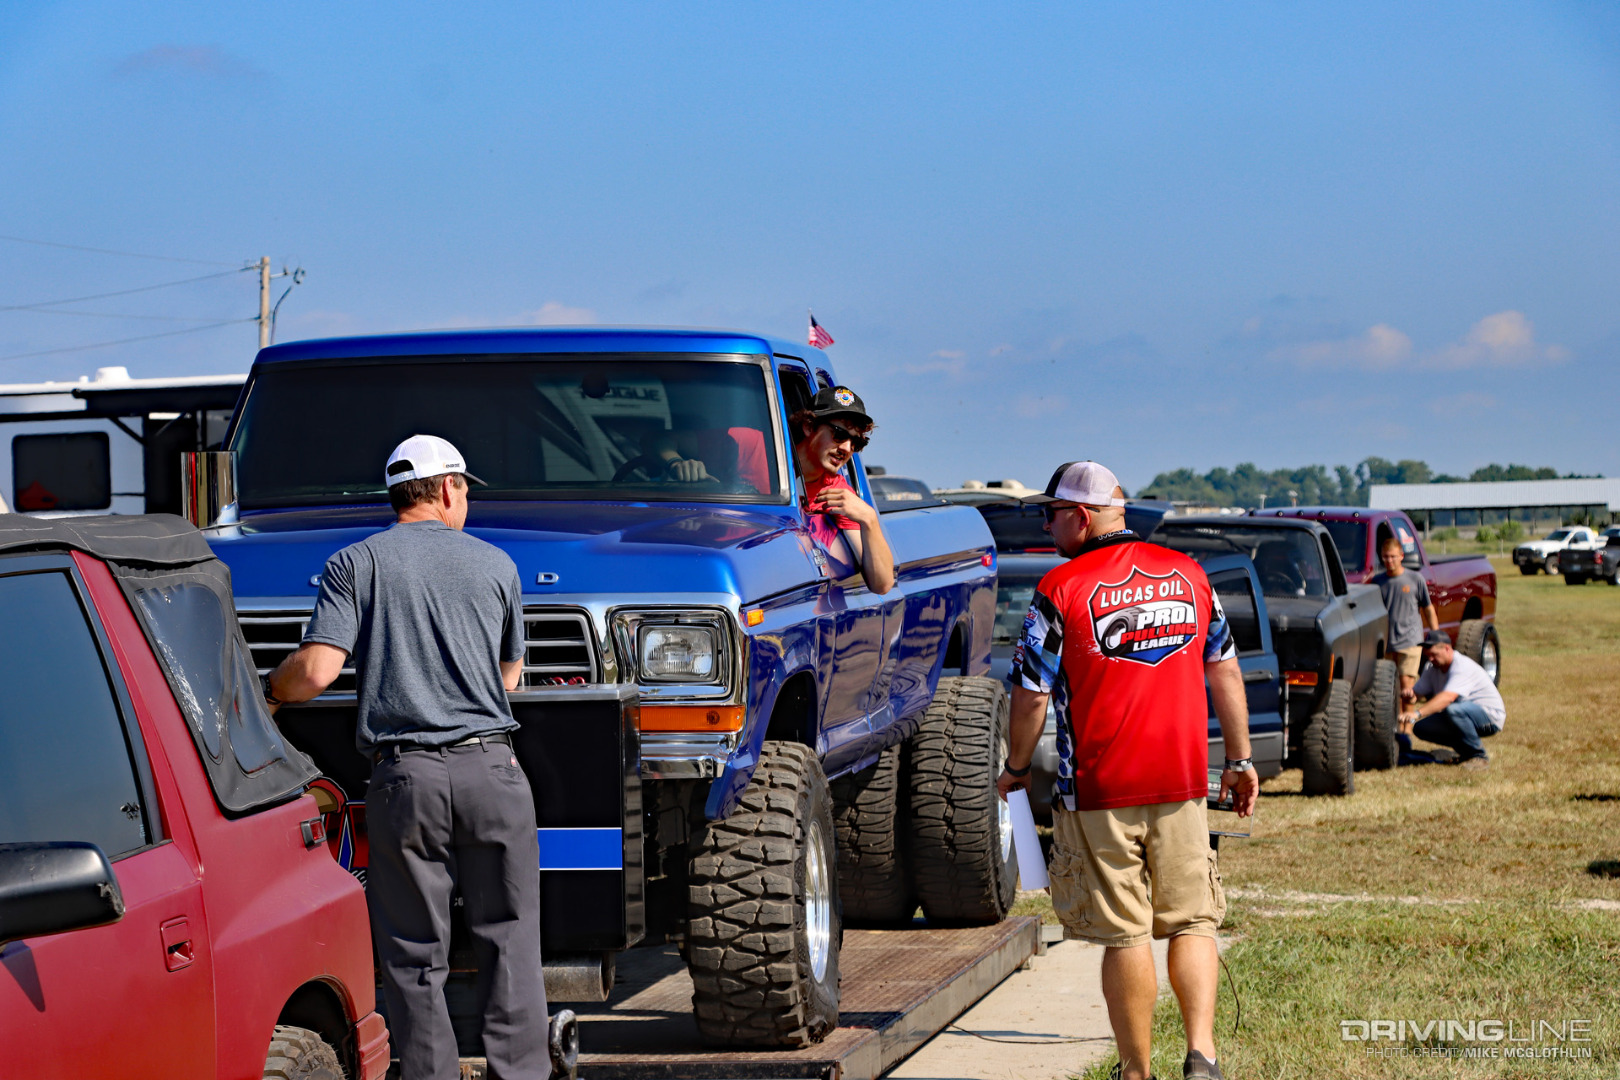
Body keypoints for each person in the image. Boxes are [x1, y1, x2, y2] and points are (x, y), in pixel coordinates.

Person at [264, 434, 549, 1080]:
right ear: (447, 487)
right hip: (494, 773)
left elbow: (316, 671)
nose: (467, 498)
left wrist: (266, 696)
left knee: (415, 955)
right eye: (466, 487)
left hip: (406, 779)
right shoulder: (497, 565)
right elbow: (509, 678)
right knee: (510, 941)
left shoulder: (355, 563)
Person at [997, 461, 1257, 1080]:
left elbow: (1032, 694)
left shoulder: (1060, 589)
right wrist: (1241, 759)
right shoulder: (1191, 576)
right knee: (1193, 919)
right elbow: (1223, 666)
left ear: (1081, 517)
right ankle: (1202, 1054)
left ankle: (1137, 1072)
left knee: (1126, 934)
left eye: (1051, 513)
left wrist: (1014, 768)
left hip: (1101, 787)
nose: (1046, 523)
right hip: (1186, 782)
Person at [787, 385, 895, 594]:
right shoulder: (752, 448)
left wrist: (869, 519)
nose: (846, 448)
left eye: (856, 442)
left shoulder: (838, 492)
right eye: (838, 434)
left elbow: (882, 584)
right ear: (809, 427)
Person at [1400, 628, 1504, 771]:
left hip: (1489, 717)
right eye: (1428, 655)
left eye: (1434, 655)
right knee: (1421, 728)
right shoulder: (1432, 667)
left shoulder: (1461, 666)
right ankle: (1466, 753)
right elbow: (1417, 695)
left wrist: (1417, 714)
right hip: (1459, 714)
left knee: (1453, 710)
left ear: (1447, 649)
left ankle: (1479, 757)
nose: (1430, 659)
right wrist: (1410, 695)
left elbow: (1448, 698)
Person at [1370, 535, 1440, 703]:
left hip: (1410, 640)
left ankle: (1407, 727)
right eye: (1385, 556)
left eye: (1393, 556)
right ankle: (1394, 725)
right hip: (1387, 643)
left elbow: (1428, 608)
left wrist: (1436, 635)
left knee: (1407, 686)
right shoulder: (1377, 582)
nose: (1389, 560)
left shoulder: (1415, 579)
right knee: (1388, 687)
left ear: (1401, 556)